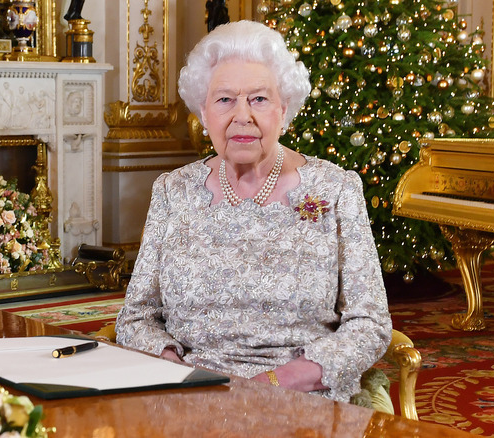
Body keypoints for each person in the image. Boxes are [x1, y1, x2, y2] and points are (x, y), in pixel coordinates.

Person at [116, 21, 392, 409]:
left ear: (284, 109)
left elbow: (370, 326)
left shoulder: (336, 189)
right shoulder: (172, 191)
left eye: (259, 99)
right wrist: (173, 370)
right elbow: (135, 319)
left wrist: (277, 381)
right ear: (202, 111)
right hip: (192, 394)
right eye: (225, 100)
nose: (242, 115)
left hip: (301, 397)